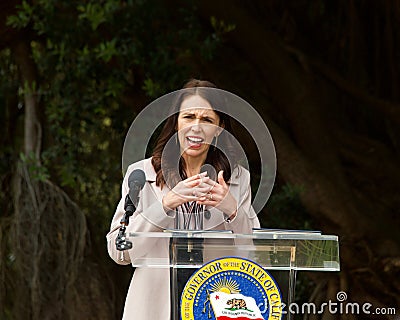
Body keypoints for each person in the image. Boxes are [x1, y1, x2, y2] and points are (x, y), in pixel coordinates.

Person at [106, 79, 260, 320]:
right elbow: (119, 252)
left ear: (219, 128)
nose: (196, 127)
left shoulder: (238, 178)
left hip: (214, 306)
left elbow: (254, 256)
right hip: (153, 307)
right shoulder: (141, 174)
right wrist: (165, 205)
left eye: (207, 120)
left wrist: (232, 210)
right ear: (176, 122)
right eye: (188, 117)